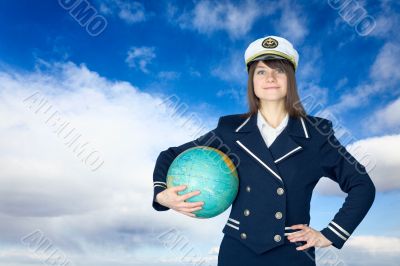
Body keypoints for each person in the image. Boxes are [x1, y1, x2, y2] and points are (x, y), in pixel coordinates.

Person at [151, 35, 376, 266]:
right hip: (237, 252)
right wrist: (161, 194)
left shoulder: (316, 134)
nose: (270, 78)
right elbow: (169, 156)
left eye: (278, 70)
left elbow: (362, 185)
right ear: (252, 81)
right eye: (260, 71)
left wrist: (330, 234)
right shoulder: (230, 130)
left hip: (292, 253)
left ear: (290, 79)